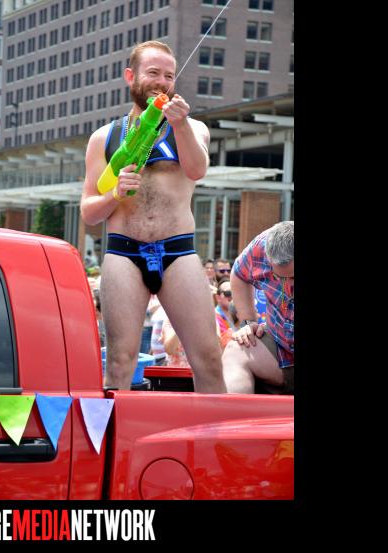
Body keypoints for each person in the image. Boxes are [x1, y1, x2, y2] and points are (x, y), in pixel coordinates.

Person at [80, 40, 226, 393]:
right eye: (153, 73)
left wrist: (180, 125)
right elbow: (88, 213)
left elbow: (197, 170)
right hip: (123, 253)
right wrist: (115, 194)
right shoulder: (105, 137)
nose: (162, 82)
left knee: (208, 358)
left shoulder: (192, 128)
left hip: (178, 250)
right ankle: (112, 430)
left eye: (169, 76)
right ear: (131, 76)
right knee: (120, 361)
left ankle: (216, 430)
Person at [221, 221, 294, 394]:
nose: (287, 286)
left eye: (293, 277)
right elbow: (238, 274)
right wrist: (248, 322)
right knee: (236, 349)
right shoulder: (259, 247)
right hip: (279, 346)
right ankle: (235, 411)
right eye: (279, 277)